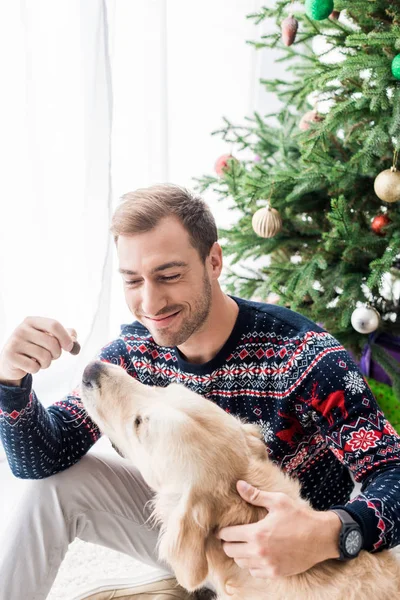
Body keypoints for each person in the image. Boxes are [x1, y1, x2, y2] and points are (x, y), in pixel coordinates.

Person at [0, 183, 399, 600]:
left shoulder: (306, 358)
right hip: (192, 535)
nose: (150, 303)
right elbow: (42, 458)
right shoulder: (136, 351)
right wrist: (11, 380)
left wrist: (329, 534)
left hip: (296, 563)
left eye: (169, 275)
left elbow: (393, 472)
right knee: (50, 488)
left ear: (214, 261)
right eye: (133, 281)